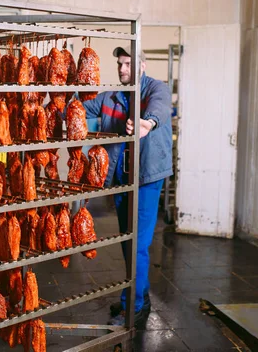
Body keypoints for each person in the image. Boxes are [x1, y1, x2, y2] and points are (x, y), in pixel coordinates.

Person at [80, 47, 173, 327]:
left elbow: (159, 106)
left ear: (142, 65)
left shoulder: (155, 89)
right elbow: (80, 105)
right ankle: (139, 296)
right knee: (127, 241)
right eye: (120, 64)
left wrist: (148, 123)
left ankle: (132, 306)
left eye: (129, 64)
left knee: (138, 244)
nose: (123, 69)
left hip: (145, 178)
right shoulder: (111, 97)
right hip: (122, 180)